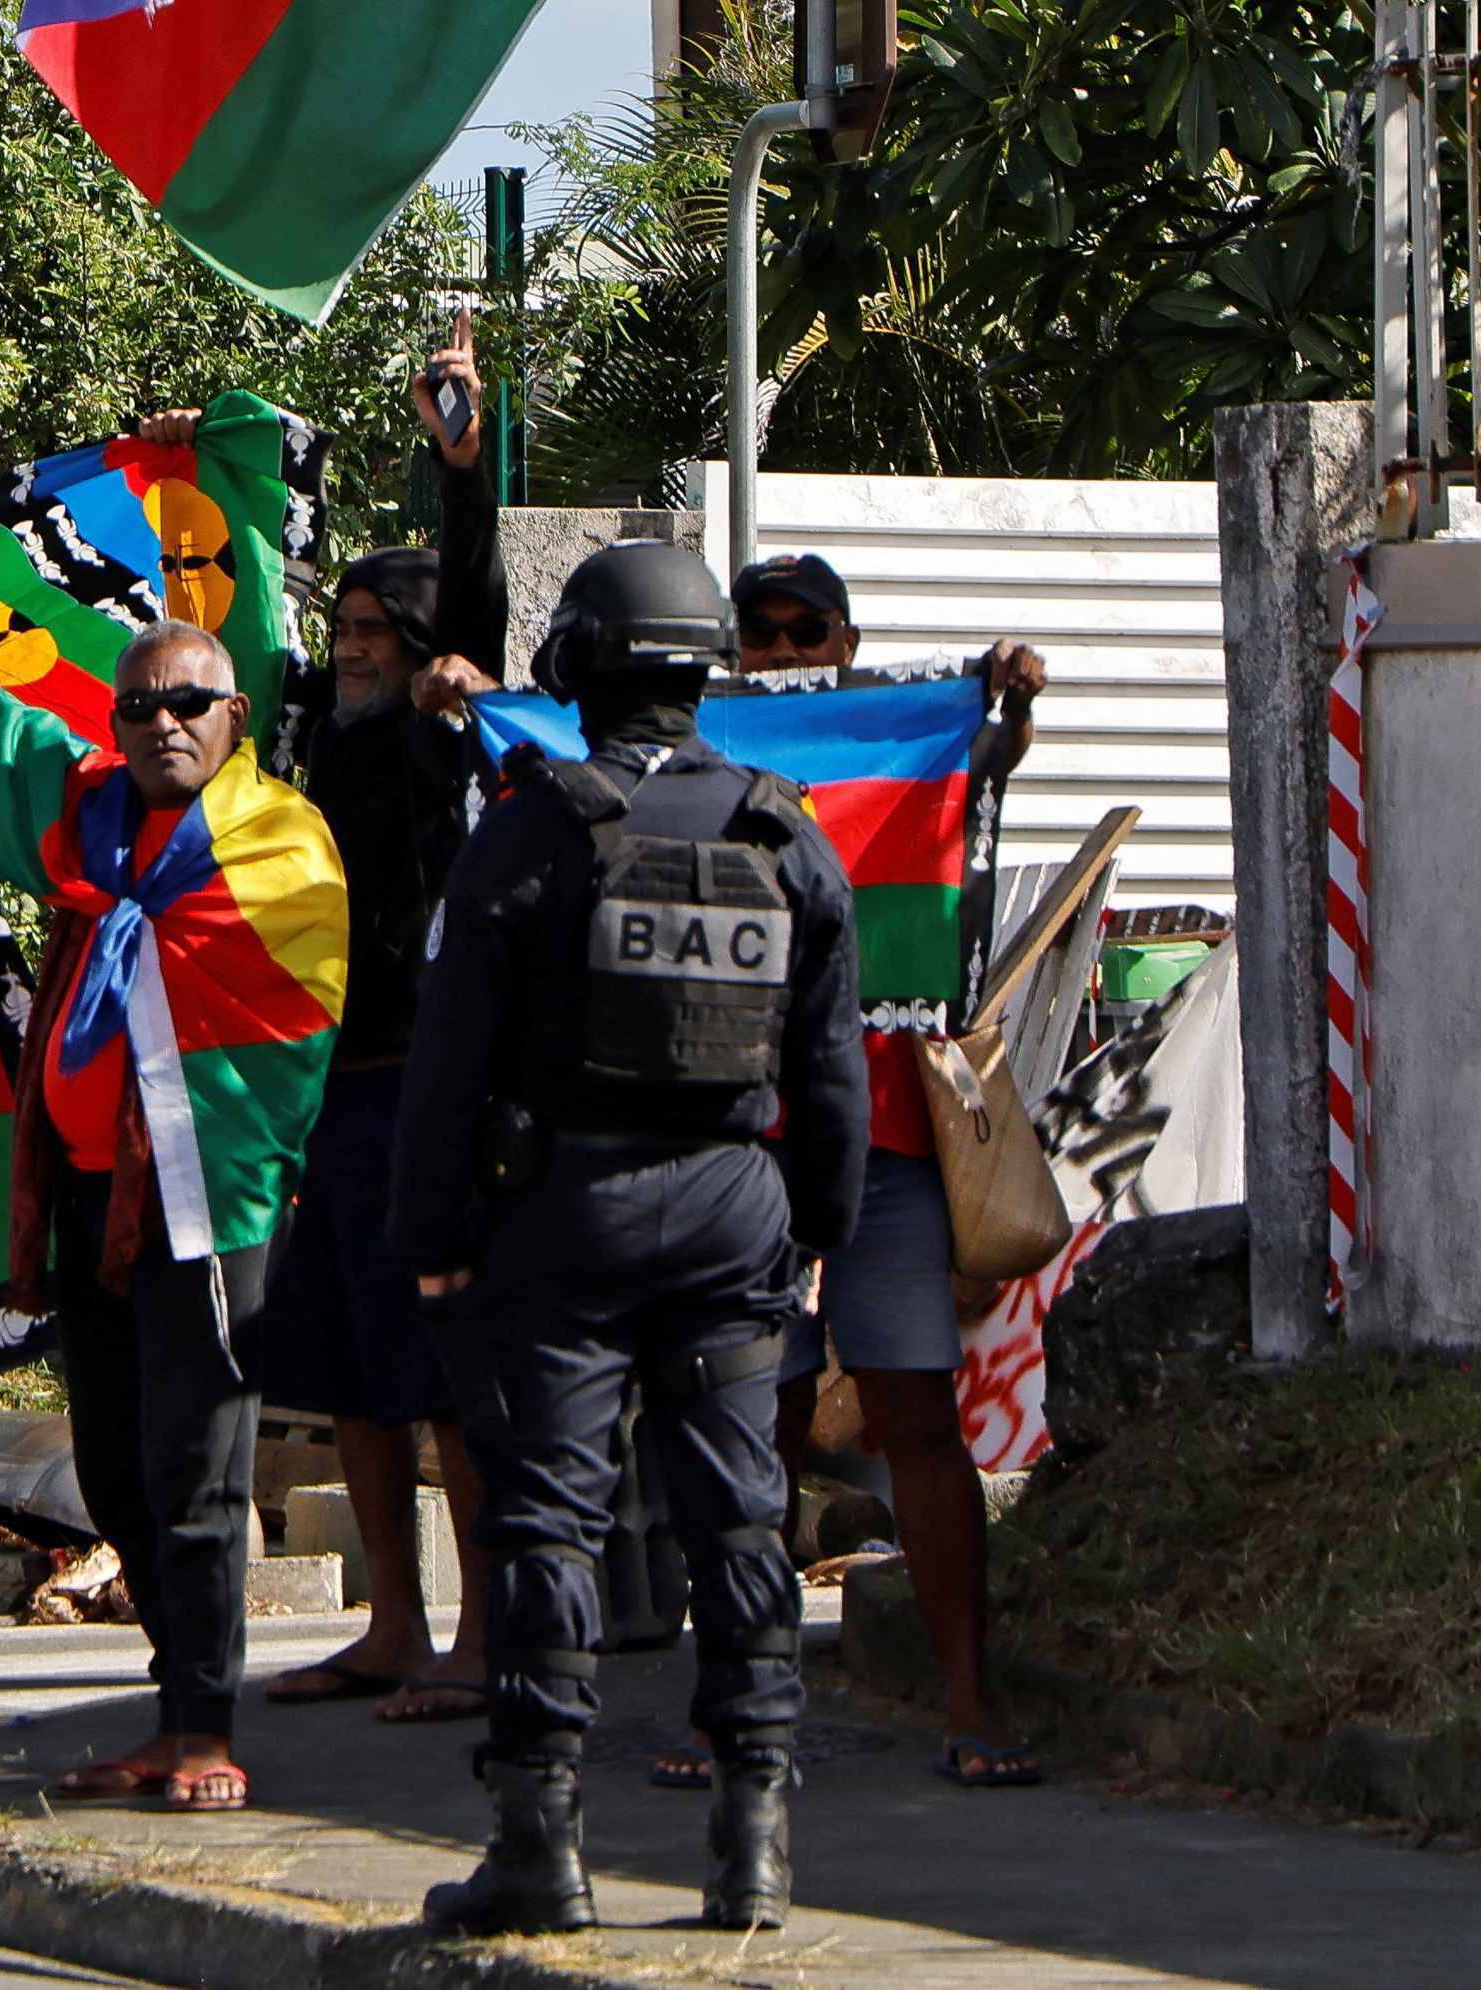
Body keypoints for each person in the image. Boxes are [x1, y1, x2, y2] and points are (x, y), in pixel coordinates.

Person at [0, 474, 340, 1816]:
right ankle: (171, 1699)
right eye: (138, 704)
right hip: (90, 1199)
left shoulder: (279, 839)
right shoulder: (90, 818)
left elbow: (304, 1019)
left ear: (234, 716)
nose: (161, 723)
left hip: (209, 1204)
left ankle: (205, 1725)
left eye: (188, 703)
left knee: (198, 1465)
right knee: (110, 1463)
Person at [393, 540, 869, 1935]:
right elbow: (832, 1067)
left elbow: (450, 1058)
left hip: (567, 1217)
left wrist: (433, 1232)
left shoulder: (536, 826)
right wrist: (816, 1236)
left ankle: (541, 1846)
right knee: (741, 1519)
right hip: (735, 1216)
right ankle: (753, 1845)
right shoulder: (784, 831)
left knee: (549, 1517)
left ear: (583, 666)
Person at [681, 549, 1052, 1794]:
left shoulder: (899, 755)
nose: (782, 652)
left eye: (805, 632)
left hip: (887, 1139)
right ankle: (729, 1703)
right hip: (744, 1148)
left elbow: (977, 777)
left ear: (846, 644)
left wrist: (1008, 705)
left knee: (913, 1417)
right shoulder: (696, 766)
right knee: (753, 1426)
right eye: (761, 633)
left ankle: (967, 1692)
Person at [253, 325, 508, 1726]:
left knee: (442, 1378)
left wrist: (461, 465)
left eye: (373, 638)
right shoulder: (311, 738)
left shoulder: (430, 735)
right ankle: (393, 1625)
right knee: (348, 1372)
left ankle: (478, 1630)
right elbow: (226, 613)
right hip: (322, 1087)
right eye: (341, 634)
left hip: (423, 1088)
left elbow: (472, 604)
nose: (349, 654)